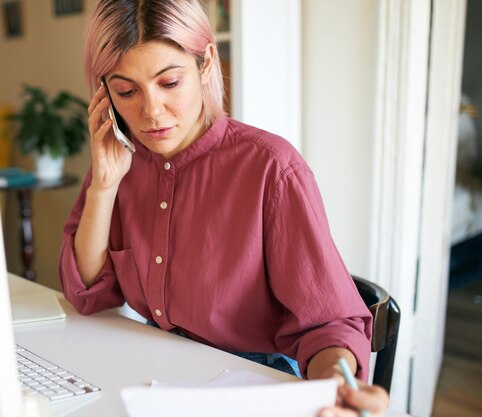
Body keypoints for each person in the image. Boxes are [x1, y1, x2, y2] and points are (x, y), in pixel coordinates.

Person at [59, 0, 390, 415]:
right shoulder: (119, 159)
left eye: (170, 83)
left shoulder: (272, 169)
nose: (151, 111)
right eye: (126, 91)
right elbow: (89, 293)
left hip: (257, 379)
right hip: (159, 368)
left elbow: (329, 323)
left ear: (205, 64)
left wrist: (336, 391)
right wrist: (103, 187)